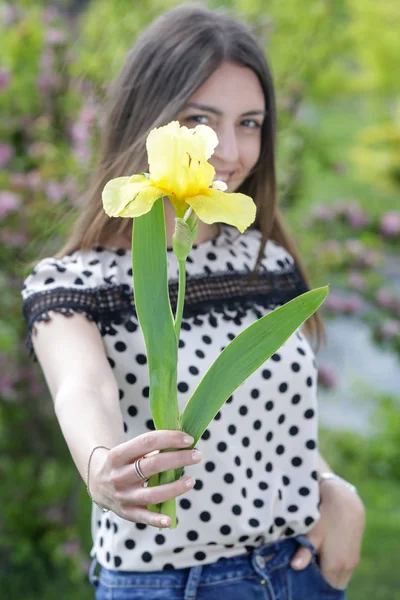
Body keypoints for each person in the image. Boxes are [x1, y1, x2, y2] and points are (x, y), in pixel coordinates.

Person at [21, 4, 365, 599]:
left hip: (295, 570)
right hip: (168, 584)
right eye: (200, 121)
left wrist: (336, 487)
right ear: (147, 124)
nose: (228, 151)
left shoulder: (264, 261)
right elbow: (83, 388)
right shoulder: (73, 283)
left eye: (251, 123)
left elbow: (278, 416)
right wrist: (102, 465)